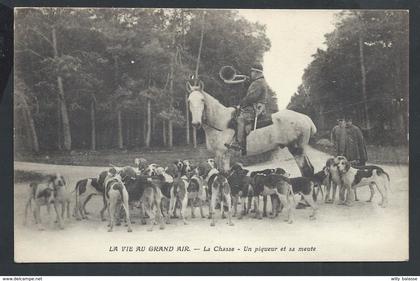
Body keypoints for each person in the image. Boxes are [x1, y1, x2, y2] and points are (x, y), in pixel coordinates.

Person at [225, 62, 268, 155]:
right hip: (253, 106)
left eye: (252, 72)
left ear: (257, 73)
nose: (251, 74)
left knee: (241, 119)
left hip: (255, 108)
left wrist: (240, 105)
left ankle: (238, 143)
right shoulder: (257, 82)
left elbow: (251, 97)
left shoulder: (258, 83)